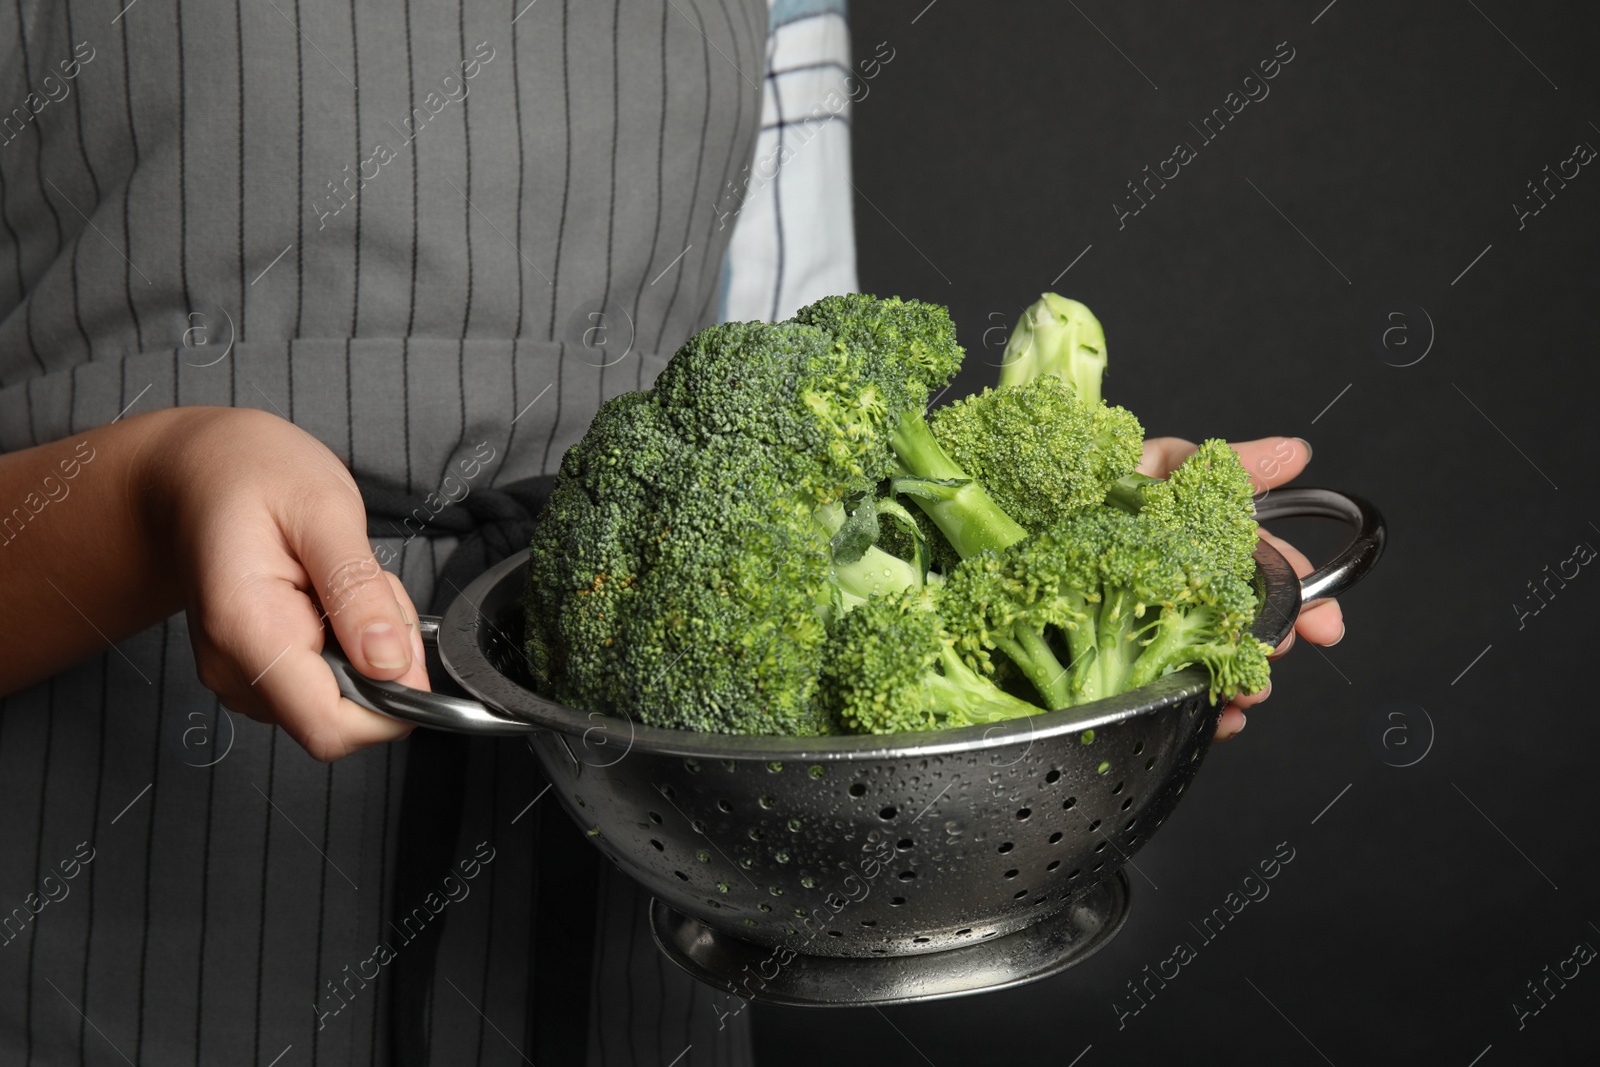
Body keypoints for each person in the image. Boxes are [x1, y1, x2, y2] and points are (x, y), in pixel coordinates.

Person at [0, 1, 1339, 1063]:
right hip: (103, 935)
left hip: (627, 948)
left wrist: (1063, 558)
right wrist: (147, 492)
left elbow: (805, 430)